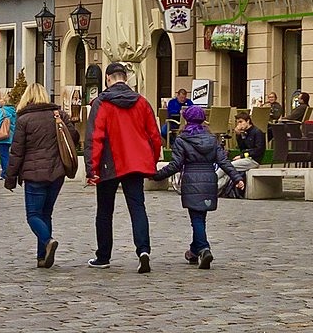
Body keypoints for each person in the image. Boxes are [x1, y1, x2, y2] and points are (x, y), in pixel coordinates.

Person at [86, 61, 163, 272]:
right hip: (136, 163)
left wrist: (91, 168)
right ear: (126, 78)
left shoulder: (101, 103)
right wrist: (152, 161)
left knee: (104, 211)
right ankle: (143, 250)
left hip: (108, 164)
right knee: (137, 207)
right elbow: (155, 137)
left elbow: (95, 137)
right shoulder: (142, 102)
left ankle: (103, 256)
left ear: (108, 79)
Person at [154, 103, 243, 267]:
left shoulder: (182, 139)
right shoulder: (212, 139)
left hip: (192, 180)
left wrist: (156, 175)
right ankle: (193, 252)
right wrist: (237, 178)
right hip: (209, 179)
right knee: (201, 217)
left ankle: (204, 248)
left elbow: (175, 165)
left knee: (196, 217)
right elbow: (223, 161)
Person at [5, 83, 76, 268]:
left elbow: (17, 151)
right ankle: (42, 257)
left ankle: (47, 241)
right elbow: (74, 137)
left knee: (33, 215)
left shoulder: (24, 119)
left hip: (33, 174)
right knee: (46, 214)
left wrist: (10, 177)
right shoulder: (58, 114)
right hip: (57, 172)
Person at [0, 89, 17, 179]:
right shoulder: (13, 111)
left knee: (4, 156)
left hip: (2, 136)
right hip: (11, 135)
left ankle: (5, 173)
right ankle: (7, 173)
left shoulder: (1, 111)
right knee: (8, 155)